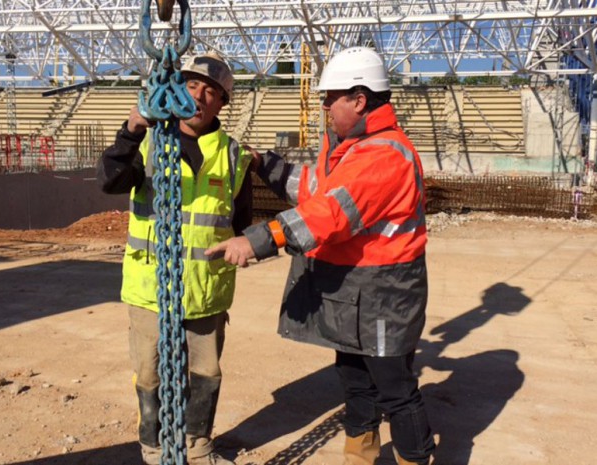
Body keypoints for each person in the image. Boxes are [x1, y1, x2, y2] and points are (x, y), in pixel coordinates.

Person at [207, 47, 436, 465]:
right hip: (355, 294)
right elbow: (314, 188)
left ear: (360, 100)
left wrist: (257, 240)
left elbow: (327, 213)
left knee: (394, 388)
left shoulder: (384, 154)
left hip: (384, 294)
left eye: (331, 98)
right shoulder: (351, 148)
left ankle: (415, 459)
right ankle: (360, 455)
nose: (325, 106)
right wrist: (263, 163)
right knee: (354, 380)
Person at [97, 52, 253, 465]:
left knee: (206, 374)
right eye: (191, 85)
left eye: (212, 91)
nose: (199, 96)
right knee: (150, 375)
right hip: (150, 289)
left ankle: (198, 447)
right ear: (176, 89)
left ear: (222, 103)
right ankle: (154, 449)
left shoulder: (235, 156)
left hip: (207, 293)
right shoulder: (149, 143)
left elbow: (240, 221)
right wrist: (132, 128)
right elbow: (109, 180)